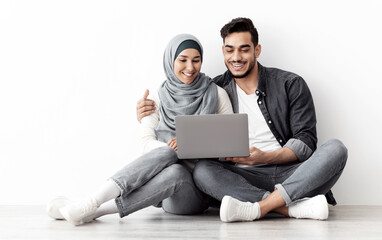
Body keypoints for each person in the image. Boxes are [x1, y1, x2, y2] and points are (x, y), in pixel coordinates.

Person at [136, 18, 348, 222]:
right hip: (241, 176)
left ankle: (259, 208)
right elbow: (183, 116)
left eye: (244, 49)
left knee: (336, 149)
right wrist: (148, 113)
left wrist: (265, 157)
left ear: (257, 50)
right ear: (223, 52)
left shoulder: (290, 83)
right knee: (203, 171)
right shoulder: (213, 90)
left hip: (291, 173)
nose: (236, 57)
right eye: (230, 50)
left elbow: (306, 142)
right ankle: (288, 207)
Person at [46, 33, 233, 226]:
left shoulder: (217, 95)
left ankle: (93, 208)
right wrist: (173, 151)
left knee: (175, 167)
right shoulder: (157, 97)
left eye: (196, 60)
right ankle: (90, 205)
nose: (190, 67)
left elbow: (230, 146)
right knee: (171, 163)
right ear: (170, 61)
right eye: (182, 60)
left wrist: (191, 144)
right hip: (164, 187)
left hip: (195, 195)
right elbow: (145, 141)